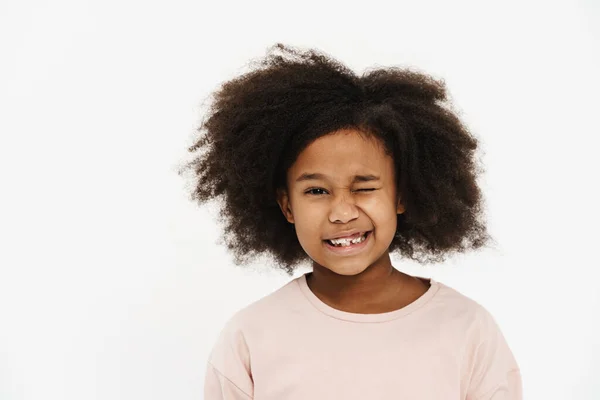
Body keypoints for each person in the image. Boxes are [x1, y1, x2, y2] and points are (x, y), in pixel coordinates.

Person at [179, 43, 522, 399]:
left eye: (364, 188)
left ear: (401, 195)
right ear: (287, 206)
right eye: (316, 191)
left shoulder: (467, 330)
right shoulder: (250, 338)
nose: (342, 212)